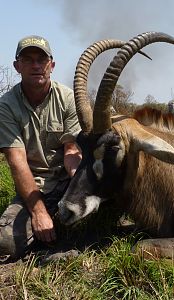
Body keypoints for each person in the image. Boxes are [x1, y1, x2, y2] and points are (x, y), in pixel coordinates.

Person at [0, 35, 82, 260]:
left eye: (42, 59)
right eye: (28, 59)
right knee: (5, 243)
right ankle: (46, 229)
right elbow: (17, 162)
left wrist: (80, 181)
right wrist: (38, 212)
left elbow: (72, 150)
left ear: (51, 65)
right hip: (33, 189)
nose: (36, 65)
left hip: (66, 182)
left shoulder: (68, 98)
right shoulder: (6, 106)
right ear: (17, 66)